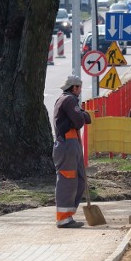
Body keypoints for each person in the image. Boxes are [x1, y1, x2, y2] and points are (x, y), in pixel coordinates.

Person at [53, 75, 92, 228]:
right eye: (79, 87)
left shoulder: (64, 100)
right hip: (67, 144)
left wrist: (81, 115)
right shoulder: (69, 100)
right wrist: (82, 114)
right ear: (74, 87)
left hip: (71, 143)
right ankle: (63, 218)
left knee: (79, 180)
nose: (80, 90)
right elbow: (80, 120)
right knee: (68, 180)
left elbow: (81, 118)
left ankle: (68, 215)